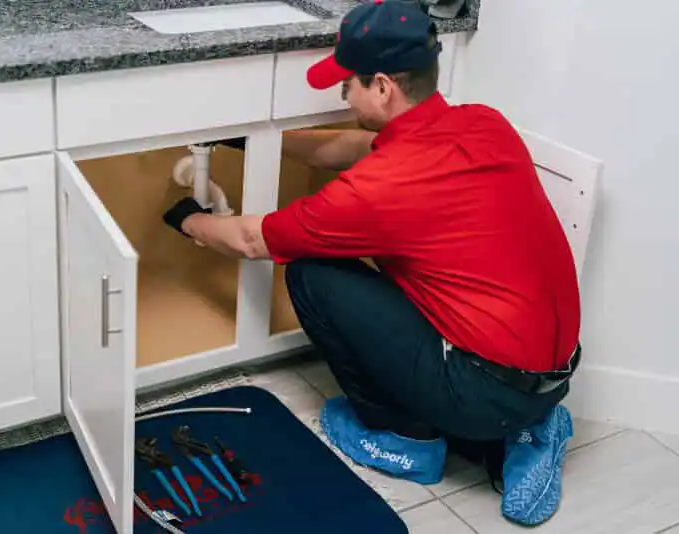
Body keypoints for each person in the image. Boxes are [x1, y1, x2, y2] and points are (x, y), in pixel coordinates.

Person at [162, 0, 581, 526]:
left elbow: (251, 240)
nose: (342, 94)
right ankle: (529, 426)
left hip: (481, 387)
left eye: (347, 85)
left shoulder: (379, 191)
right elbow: (356, 146)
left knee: (312, 275)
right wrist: (256, 141)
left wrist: (188, 221)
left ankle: (407, 438)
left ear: (383, 86)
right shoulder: (482, 123)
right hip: (551, 367)